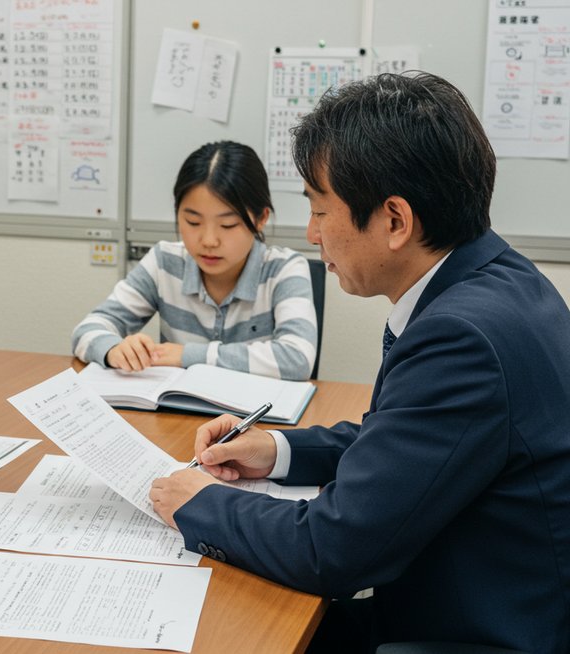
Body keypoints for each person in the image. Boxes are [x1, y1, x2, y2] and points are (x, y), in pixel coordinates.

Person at [150, 73, 570, 653]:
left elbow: (333, 550)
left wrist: (200, 504)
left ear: (395, 221)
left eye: (322, 210)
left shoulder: (461, 335)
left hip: (472, 633)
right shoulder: (501, 279)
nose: (312, 233)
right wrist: (277, 451)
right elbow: (409, 438)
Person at [71, 141, 317, 381]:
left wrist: (186, 355)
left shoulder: (284, 269)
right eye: (193, 222)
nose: (209, 240)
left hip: (253, 419)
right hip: (178, 414)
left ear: (261, 219)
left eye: (227, 225)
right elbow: (87, 330)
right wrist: (114, 349)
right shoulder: (165, 262)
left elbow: (297, 359)